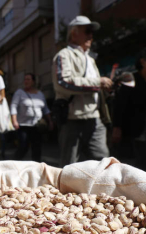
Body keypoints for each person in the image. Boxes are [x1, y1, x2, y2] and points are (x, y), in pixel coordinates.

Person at [52, 15, 113, 167]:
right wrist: (99, 82)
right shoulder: (63, 55)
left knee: (103, 162)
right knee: (70, 165)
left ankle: (101, 190)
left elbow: (95, 88)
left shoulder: (90, 59)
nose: (91, 36)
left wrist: (107, 88)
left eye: (92, 32)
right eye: (87, 31)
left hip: (94, 118)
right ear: (74, 33)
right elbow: (63, 82)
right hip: (73, 119)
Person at [10, 73, 54, 162]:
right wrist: (14, 120)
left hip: (37, 126)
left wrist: (50, 121)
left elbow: (45, 109)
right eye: (25, 79)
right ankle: (13, 164)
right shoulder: (19, 93)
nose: (26, 81)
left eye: (28, 79)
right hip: (23, 125)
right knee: (23, 147)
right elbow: (13, 106)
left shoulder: (40, 94)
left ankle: (37, 168)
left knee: (37, 148)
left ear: (33, 81)